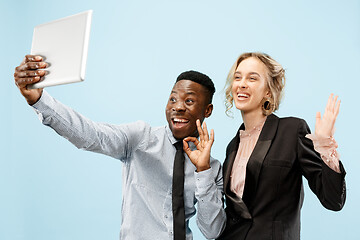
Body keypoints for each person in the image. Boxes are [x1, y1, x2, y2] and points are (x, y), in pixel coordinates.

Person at [13, 55, 226, 240]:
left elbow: (212, 231)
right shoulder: (141, 138)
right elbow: (90, 135)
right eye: (172, 99)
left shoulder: (212, 168)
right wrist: (39, 99)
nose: (178, 107)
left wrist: (203, 171)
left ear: (207, 110)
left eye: (189, 101)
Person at [183, 52, 346, 240]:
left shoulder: (292, 130)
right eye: (238, 77)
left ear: (268, 91)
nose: (242, 83)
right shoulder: (232, 147)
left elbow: (333, 200)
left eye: (252, 78)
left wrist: (325, 146)